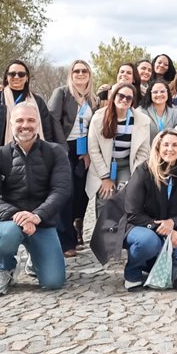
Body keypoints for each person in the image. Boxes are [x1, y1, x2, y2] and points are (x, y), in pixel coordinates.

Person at [0, 101, 71, 296]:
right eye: (19, 120)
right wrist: (16, 215)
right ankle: (5, 268)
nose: (25, 125)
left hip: (41, 222)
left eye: (30, 120)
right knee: (9, 234)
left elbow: (60, 191)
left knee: (53, 282)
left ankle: (34, 260)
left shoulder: (55, 153)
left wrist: (37, 216)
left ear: (38, 124)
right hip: (9, 221)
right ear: (11, 124)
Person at [121, 129, 177, 291]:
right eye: (166, 145)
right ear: (158, 148)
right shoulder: (144, 171)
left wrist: (172, 222)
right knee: (149, 241)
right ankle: (132, 271)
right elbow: (133, 213)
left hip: (166, 226)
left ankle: (150, 267)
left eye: (175, 145)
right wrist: (166, 230)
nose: (170, 149)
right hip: (136, 226)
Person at [48, 60, 97, 254]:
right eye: (76, 71)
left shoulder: (92, 99)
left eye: (84, 70)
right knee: (65, 194)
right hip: (63, 146)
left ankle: (76, 231)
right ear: (71, 74)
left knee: (81, 192)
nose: (80, 74)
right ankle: (65, 241)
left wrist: (86, 151)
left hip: (83, 147)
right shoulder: (62, 93)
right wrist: (62, 148)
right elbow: (52, 119)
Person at [86, 82, 153, 201]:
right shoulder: (98, 118)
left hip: (128, 165)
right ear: (114, 97)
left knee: (125, 195)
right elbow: (93, 150)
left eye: (129, 98)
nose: (124, 100)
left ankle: (122, 220)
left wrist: (135, 177)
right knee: (105, 196)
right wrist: (105, 177)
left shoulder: (142, 121)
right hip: (105, 164)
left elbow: (143, 152)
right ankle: (103, 220)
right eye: (121, 96)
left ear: (132, 101)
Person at [0, 60, 59, 158]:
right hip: (1, 156)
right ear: (6, 76)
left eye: (21, 74)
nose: (16, 77)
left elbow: (47, 131)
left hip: (33, 156)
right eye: (12, 74)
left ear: (27, 78)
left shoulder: (38, 101)